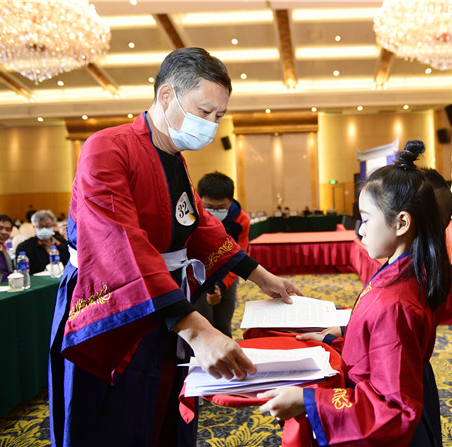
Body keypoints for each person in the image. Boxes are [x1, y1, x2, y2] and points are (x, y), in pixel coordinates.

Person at [48, 47, 302, 447]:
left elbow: (197, 224)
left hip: (166, 300)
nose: (211, 125)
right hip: (117, 304)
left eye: (219, 116)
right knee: (117, 418)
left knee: (164, 405)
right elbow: (120, 245)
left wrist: (258, 274)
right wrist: (197, 330)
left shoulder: (173, 157)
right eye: (205, 111)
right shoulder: (106, 148)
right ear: (167, 95)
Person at [258, 140, 451, 447]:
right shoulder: (404, 272)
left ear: (402, 222)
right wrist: (334, 339)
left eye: (367, 219)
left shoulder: (395, 303)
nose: (360, 230)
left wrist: (308, 401)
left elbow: (393, 409)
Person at [193, 172, 250, 338]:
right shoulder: (192, 215)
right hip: (198, 276)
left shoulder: (241, 220)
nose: (214, 212)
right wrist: (207, 283)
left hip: (228, 275)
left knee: (223, 324)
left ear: (230, 201)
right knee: (203, 325)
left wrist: (220, 284)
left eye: (221, 208)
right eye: (209, 206)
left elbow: (239, 256)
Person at [15, 209, 70, 274]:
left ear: (54, 226)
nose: (44, 229)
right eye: (40, 226)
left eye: (47, 226)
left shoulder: (63, 243)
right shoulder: (24, 247)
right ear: (34, 227)